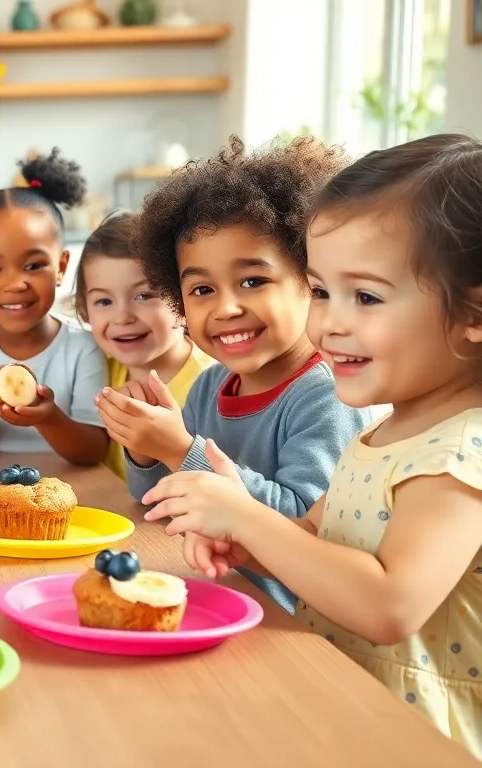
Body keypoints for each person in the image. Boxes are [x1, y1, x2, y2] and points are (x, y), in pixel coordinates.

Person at [142, 134, 482, 757]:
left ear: (473, 313)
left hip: (418, 742)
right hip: (337, 706)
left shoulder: (461, 455)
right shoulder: (383, 433)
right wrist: (239, 537)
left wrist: (244, 512)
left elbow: (388, 605)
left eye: (368, 296)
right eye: (322, 291)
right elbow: (311, 546)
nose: (329, 323)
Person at [97, 136, 374, 612]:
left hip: (292, 626)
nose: (225, 307)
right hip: (218, 599)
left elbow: (299, 527)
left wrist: (179, 449)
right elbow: (156, 503)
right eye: (202, 288)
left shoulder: (327, 396)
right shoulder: (211, 385)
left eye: (253, 281)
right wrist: (145, 453)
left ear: (313, 280)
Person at [0, 149, 108, 464]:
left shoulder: (83, 345)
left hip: (68, 487)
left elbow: (93, 451)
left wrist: (48, 417)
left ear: (61, 267)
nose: (15, 284)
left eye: (33, 265)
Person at [70, 210, 212, 480]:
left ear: (183, 301)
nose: (122, 317)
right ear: (85, 309)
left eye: (144, 296)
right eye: (104, 301)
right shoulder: (94, 367)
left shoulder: (212, 384)